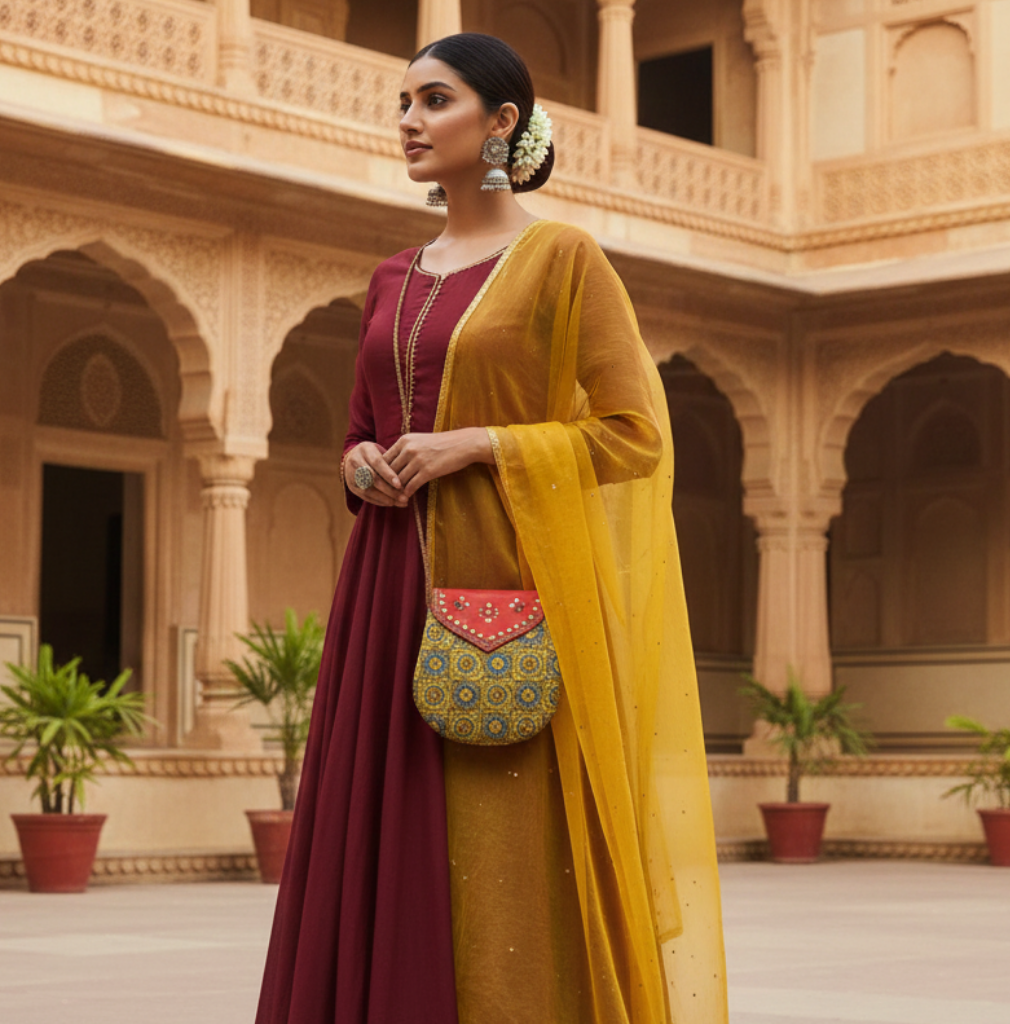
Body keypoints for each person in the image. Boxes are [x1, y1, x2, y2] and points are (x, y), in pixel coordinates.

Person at [255, 32, 727, 1024]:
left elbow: (634, 435)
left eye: (434, 100)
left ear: (502, 120)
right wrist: (360, 466)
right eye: (402, 103)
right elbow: (358, 430)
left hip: (504, 590)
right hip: (384, 589)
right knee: (381, 829)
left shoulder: (561, 259)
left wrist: (477, 444)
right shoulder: (391, 275)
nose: (408, 121)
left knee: (500, 841)